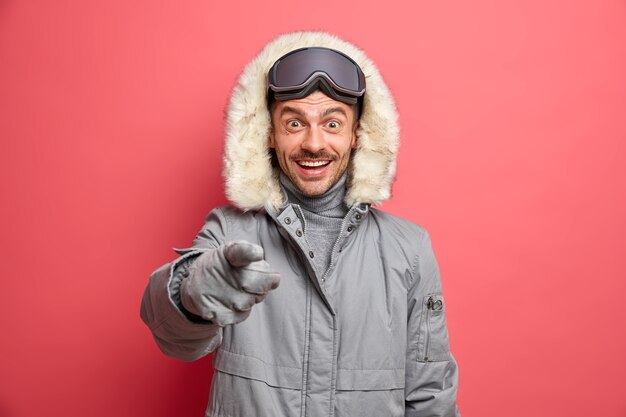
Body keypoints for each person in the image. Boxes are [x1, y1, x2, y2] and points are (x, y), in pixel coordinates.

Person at [140, 31, 460, 417]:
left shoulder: (409, 249)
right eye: (294, 124)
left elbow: (431, 395)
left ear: (357, 134)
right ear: (269, 134)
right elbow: (174, 339)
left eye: (332, 123)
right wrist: (189, 292)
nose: (313, 143)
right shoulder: (229, 233)